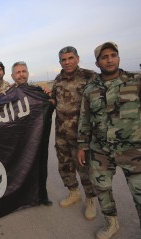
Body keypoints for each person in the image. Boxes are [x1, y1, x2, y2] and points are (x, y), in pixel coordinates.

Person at [77, 41, 141, 239]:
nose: (110, 59)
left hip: (133, 150)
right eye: (104, 57)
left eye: (113, 55)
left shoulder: (136, 81)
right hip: (101, 151)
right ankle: (111, 223)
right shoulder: (90, 90)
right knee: (102, 189)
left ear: (118, 58)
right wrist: (81, 145)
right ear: (97, 63)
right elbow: (85, 119)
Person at [52, 46, 97, 220]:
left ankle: (91, 200)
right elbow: (55, 100)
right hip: (61, 132)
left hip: (82, 135)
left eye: (70, 58)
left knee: (85, 169)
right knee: (65, 165)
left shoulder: (89, 76)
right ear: (60, 62)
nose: (67, 62)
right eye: (63, 60)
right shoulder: (58, 79)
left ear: (77, 58)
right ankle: (73, 192)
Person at [11, 61, 53, 206]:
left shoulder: (37, 92)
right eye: (18, 72)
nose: (21, 75)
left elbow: (50, 105)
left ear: (28, 74)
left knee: (40, 165)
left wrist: (48, 95)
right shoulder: (7, 95)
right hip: (17, 139)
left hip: (35, 138)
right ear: (12, 76)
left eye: (24, 71)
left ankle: (41, 196)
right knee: (18, 167)